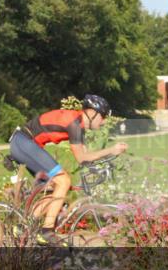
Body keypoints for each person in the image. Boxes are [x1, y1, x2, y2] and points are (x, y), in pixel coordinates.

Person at [8, 94, 128, 244]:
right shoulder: (74, 124)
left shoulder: (79, 126)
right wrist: (111, 150)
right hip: (24, 143)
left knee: (54, 190)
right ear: (91, 113)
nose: (104, 121)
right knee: (64, 180)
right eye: (102, 116)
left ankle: (23, 227)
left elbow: (86, 157)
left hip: (25, 144)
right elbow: (82, 158)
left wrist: (102, 165)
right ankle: (47, 232)